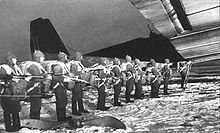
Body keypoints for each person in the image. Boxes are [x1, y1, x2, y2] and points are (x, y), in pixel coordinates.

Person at [19, 50, 49, 119]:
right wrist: (45, 79)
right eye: (42, 57)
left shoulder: (29, 64)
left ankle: (35, 118)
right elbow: (37, 77)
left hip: (32, 86)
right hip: (33, 87)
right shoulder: (33, 66)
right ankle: (35, 119)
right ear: (38, 57)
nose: (43, 59)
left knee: (35, 104)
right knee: (36, 104)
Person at [0, 53, 24, 132]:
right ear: (9, 59)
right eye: (14, 59)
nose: (15, 60)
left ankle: (17, 125)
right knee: (7, 110)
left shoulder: (15, 67)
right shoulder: (3, 67)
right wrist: (6, 76)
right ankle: (9, 127)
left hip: (15, 90)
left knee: (16, 109)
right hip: (6, 91)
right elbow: (2, 76)